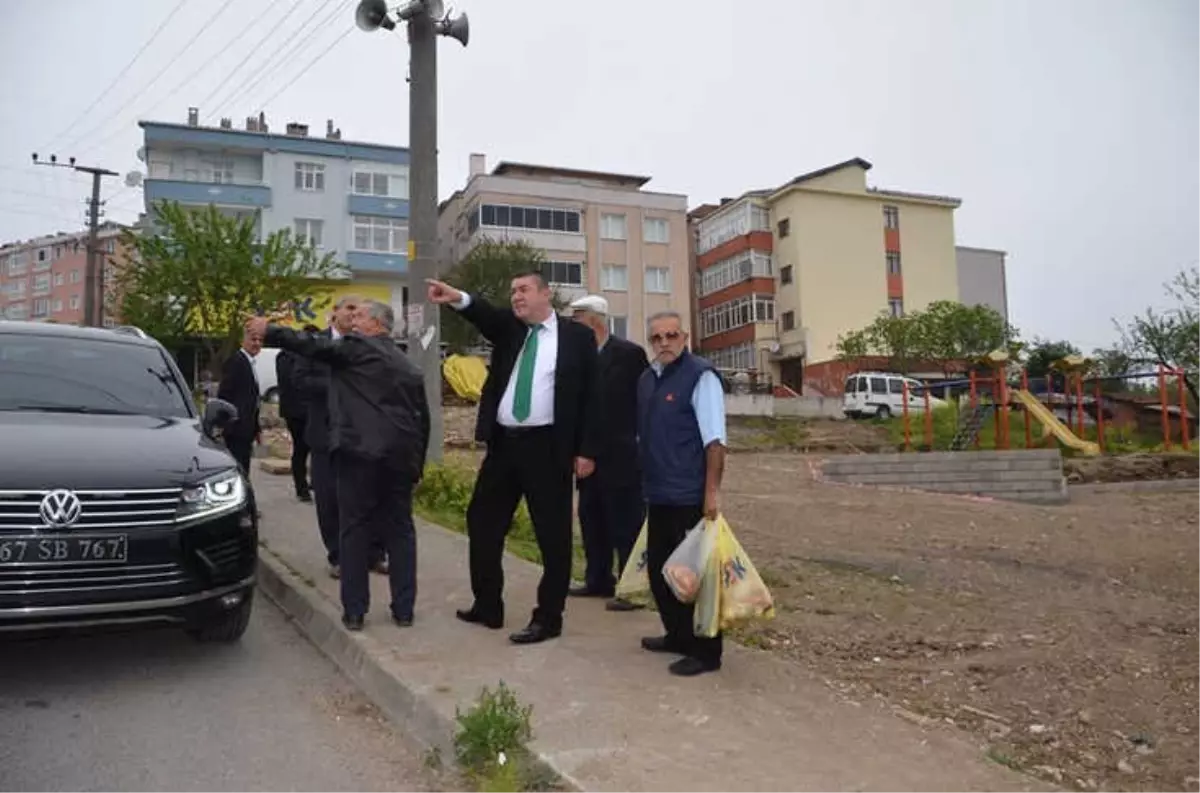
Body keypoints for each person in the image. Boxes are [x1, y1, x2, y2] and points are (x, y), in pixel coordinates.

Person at [426, 273, 600, 645]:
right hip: (504, 446)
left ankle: (548, 618)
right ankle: (488, 604)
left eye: (523, 290)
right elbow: (484, 314)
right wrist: (458, 297)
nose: (516, 297)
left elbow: (592, 398)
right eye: (512, 292)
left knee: (552, 537)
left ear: (545, 293)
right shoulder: (510, 329)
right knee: (482, 522)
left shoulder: (577, 338)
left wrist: (587, 450)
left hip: (549, 449)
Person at [247, 300, 430, 631]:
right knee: (401, 531)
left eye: (359, 315)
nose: (352, 320)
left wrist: (269, 331)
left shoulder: (356, 349)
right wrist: (416, 465)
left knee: (354, 530)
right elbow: (422, 420)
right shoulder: (408, 364)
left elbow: (310, 344)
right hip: (399, 460)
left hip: (358, 456)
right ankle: (404, 610)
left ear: (376, 324)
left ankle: (355, 611)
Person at [637, 311, 728, 677]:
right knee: (662, 572)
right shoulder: (646, 379)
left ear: (685, 337)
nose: (664, 343)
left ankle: (707, 652)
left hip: (690, 495)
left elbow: (715, 442)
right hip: (658, 493)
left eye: (671, 335)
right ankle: (677, 635)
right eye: (656, 338)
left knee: (698, 579)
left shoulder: (700, 377)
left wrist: (711, 494)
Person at [293, 297, 388, 578]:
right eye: (348, 309)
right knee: (329, 497)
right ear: (333, 313)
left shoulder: (364, 344)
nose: (353, 315)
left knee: (369, 497)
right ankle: (338, 555)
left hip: (362, 436)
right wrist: (340, 385)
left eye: (357, 311)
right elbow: (299, 381)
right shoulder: (314, 344)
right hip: (325, 435)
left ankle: (374, 553)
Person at [566, 295, 649, 612]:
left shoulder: (629, 354)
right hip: (587, 459)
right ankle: (598, 579)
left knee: (625, 524)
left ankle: (632, 589)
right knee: (592, 520)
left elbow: (635, 405)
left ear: (596, 321)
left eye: (578, 319)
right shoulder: (579, 358)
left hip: (621, 457)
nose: (573, 326)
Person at [276, 327, 316, 503]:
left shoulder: (293, 355)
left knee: (314, 447)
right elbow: (292, 383)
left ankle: (313, 483)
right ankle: (302, 488)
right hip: (296, 411)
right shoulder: (287, 357)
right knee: (301, 448)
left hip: (305, 408)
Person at [217, 327, 263, 475]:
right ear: (243, 341)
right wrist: (227, 423)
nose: (257, 343)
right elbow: (225, 394)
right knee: (238, 470)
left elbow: (252, 399)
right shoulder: (237, 361)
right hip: (236, 429)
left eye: (260, 340)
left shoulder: (249, 362)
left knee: (244, 468)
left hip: (246, 429)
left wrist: (256, 428)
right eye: (253, 339)